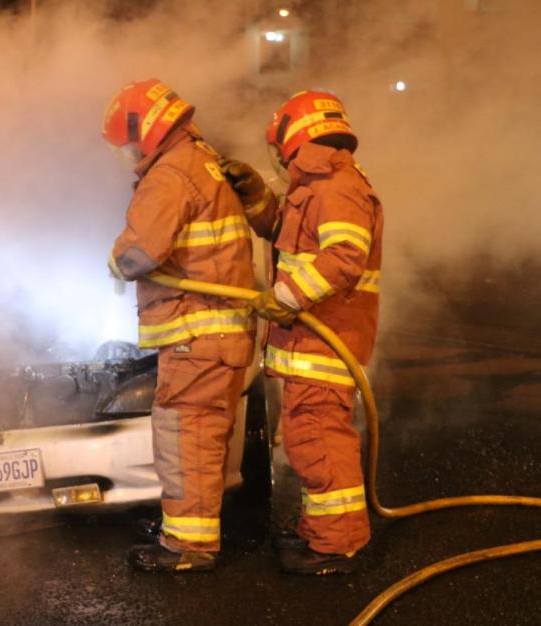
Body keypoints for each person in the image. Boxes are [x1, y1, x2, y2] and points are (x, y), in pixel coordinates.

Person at [104, 79, 276, 572]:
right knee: (201, 434)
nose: (127, 153)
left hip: (194, 332)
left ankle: (188, 547)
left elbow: (138, 251)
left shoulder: (171, 173)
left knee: (187, 434)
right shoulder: (200, 158)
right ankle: (192, 527)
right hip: (215, 332)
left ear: (146, 131)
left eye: (128, 143)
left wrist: (114, 262)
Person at [251, 90, 383, 574]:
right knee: (310, 438)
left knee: (320, 438)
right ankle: (319, 532)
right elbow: (296, 239)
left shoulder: (334, 185)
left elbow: (343, 258)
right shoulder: (320, 184)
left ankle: (339, 545)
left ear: (295, 135)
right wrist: (259, 204)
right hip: (314, 339)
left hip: (325, 339)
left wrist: (284, 298)